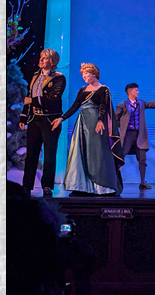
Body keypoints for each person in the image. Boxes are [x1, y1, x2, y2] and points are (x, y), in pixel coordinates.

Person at [51, 63, 124, 196]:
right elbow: (75, 106)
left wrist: (100, 120)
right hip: (82, 124)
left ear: (94, 74)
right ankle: (81, 187)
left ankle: (101, 187)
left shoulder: (103, 89)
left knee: (97, 154)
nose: (83, 76)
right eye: (83, 74)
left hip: (96, 125)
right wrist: (62, 118)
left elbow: (103, 106)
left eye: (86, 73)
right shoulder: (82, 90)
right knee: (80, 153)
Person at [115, 83, 155, 190]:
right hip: (127, 136)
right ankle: (114, 180)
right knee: (119, 157)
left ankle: (143, 182)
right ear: (130, 91)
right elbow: (115, 119)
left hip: (140, 135)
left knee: (142, 159)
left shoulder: (141, 103)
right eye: (136, 90)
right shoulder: (122, 105)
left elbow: (153, 104)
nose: (138, 92)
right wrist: (122, 125)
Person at [19, 49, 66, 196]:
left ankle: (47, 186)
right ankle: (26, 186)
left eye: (44, 58)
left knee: (49, 154)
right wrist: (24, 116)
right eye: (41, 57)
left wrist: (31, 101)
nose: (41, 60)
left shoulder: (58, 78)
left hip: (50, 120)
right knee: (31, 154)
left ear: (52, 61)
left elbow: (53, 99)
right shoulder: (35, 75)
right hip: (35, 119)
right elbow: (28, 96)